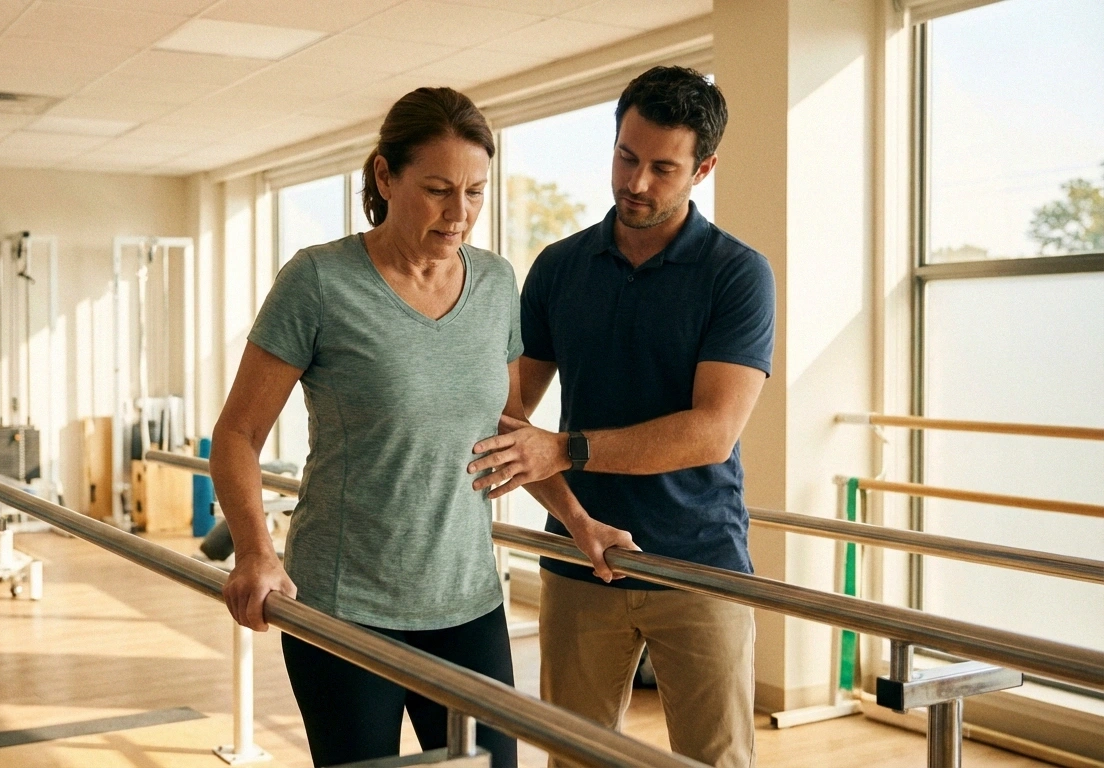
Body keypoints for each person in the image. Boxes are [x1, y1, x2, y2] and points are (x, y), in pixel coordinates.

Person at [467, 66, 776, 768]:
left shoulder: (737, 275)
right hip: (581, 562)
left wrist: (566, 450)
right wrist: (564, 502)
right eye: (626, 157)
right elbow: (508, 411)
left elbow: (713, 430)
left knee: (714, 760)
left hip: (701, 565)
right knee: (572, 756)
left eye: (662, 168)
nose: (636, 183)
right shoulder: (559, 267)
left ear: (704, 169)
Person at [210, 87, 520, 768]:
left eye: (475, 191)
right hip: (346, 603)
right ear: (385, 176)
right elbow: (237, 434)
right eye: (438, 189)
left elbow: (509, 432)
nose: (459, 212)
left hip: (467, 601)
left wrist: (579, 520)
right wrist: (257, 551)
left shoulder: (497, 283)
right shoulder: (320, 281)